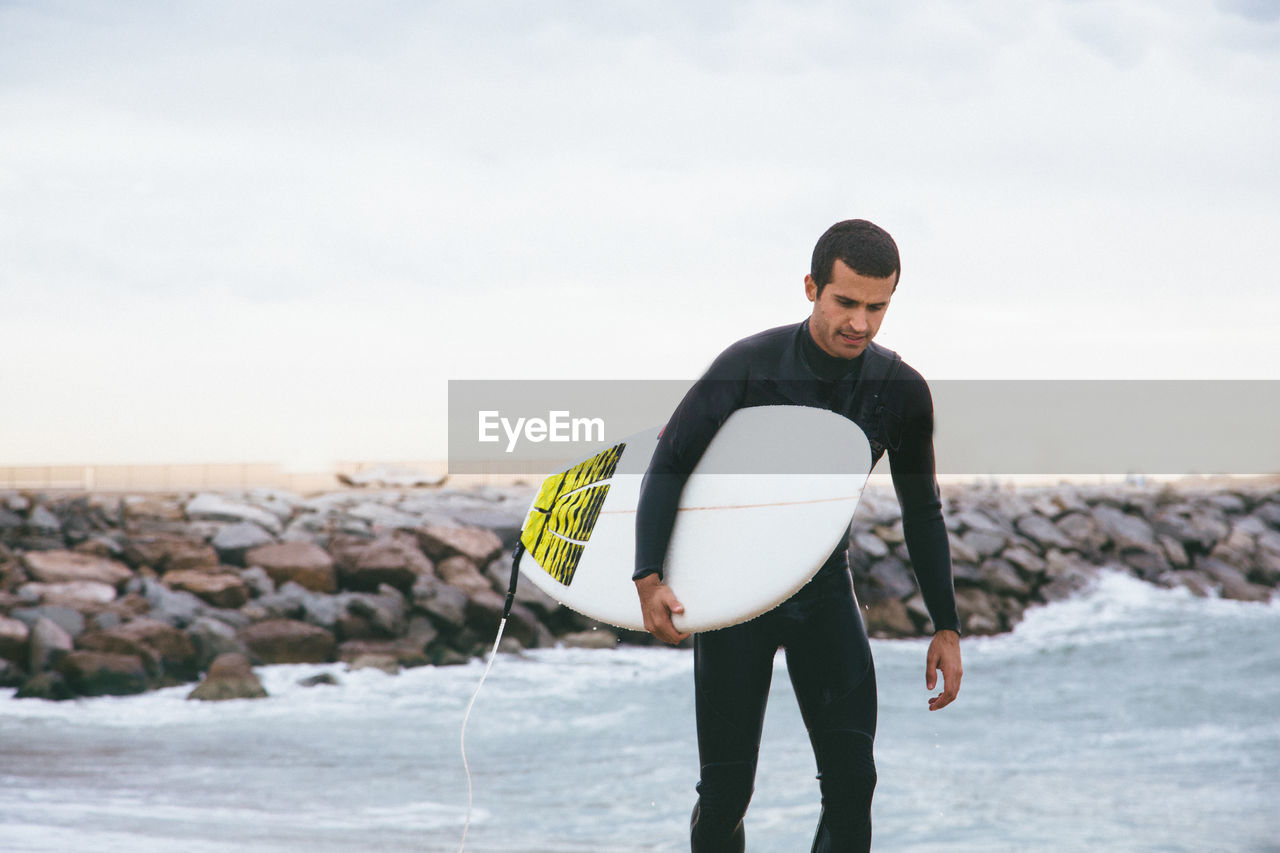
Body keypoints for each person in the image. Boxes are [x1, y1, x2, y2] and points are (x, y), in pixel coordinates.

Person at [633, 219, 963, 852]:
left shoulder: (900, 392)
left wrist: (945, 625)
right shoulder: (749, 366)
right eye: (845, 302)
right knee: (727, 792)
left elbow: (923, 512)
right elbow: (669, 462)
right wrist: (648, 577)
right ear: (812, 288)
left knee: (852, 786)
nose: (860, 324)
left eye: (878, 307)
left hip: (823, 596)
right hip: (736, 601)